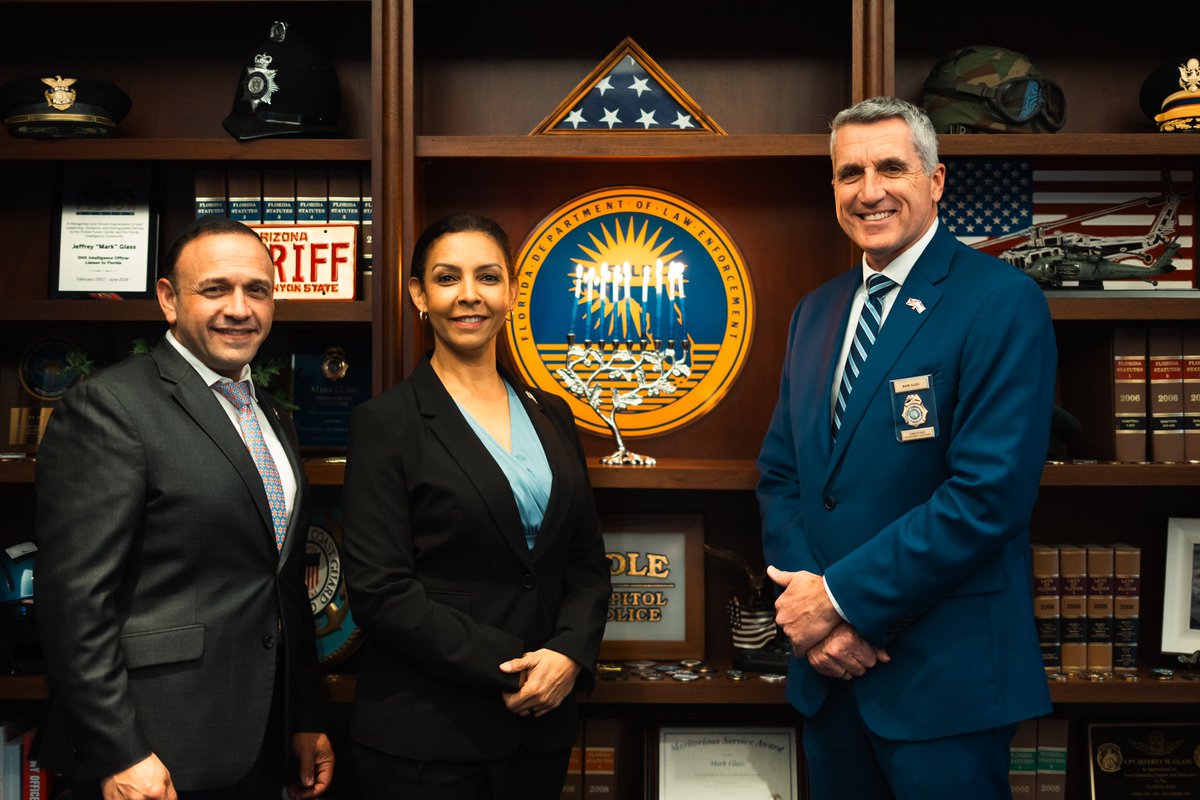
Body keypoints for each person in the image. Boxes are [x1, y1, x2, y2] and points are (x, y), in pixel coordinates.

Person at [757, 97, 1055, 798]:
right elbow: (782, 476)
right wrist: (816, 624)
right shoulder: (816, 311)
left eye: (891, 167)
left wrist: (839, 599)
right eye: (849, 173)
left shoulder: (1001, 301)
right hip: (829, 679)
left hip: (943, 682)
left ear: (936, 181)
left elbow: (988, 496)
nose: (870, 191)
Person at [35, 216, 334, 800]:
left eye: (257, 290)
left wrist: (302, 714)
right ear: (169, 300)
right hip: (154, 747)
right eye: (215, 289)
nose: (240, 308)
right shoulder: (111, 407)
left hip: (259, 737)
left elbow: (281, 584)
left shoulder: (270, 414)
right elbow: (74, 602)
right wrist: (119, 751)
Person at [342, 213, 611, 800]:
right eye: (447, 278)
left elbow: (587, 562)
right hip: (428, 738)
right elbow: (380, 592)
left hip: (540, 727)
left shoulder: (553, 415)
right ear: (419, 294)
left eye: (487, 277)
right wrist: (521, 664)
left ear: (511, 292)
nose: (469, 295)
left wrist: (569, 654)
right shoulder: (384, 424)